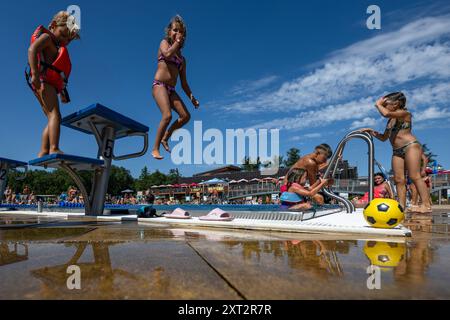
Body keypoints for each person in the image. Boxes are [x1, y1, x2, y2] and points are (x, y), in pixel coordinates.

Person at [361, 92, 432, 213]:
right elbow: (384, 137)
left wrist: (378, 105)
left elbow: (386, 113)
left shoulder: (404, 114)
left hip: (410, 146)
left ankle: (426, 205)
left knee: (414, 176)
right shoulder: (390, 121)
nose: (384, 105)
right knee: (398, 180)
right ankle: (401, 207)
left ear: (396, 104)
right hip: (396, 151)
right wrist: (371, 131)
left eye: (386, 103)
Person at [27, 11, 80, 157]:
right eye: (63, 35)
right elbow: (32, 50)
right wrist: (35, 73)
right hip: (43, 81)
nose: (64, 41)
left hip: (45, 82)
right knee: (55, 115)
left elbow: (58, 72)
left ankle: (43, 150)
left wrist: (62, 91)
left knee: (53, 117)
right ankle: (54, 148)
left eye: (68, 40)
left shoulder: (56, 46)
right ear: (53, 26)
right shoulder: (47, 38)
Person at [151, 15, 200, 160]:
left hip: (171, 90)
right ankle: (155, 148)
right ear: (169, 31)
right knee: (167, 115)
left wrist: (192, 98)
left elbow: (184, 83)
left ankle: (166, 136)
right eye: (175, 30)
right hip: (159, 86)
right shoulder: (164, 43)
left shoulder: (182, 60)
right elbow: (167, 54)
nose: (177, 34)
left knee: (186, 116)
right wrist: (176, 43)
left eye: (181, 32)